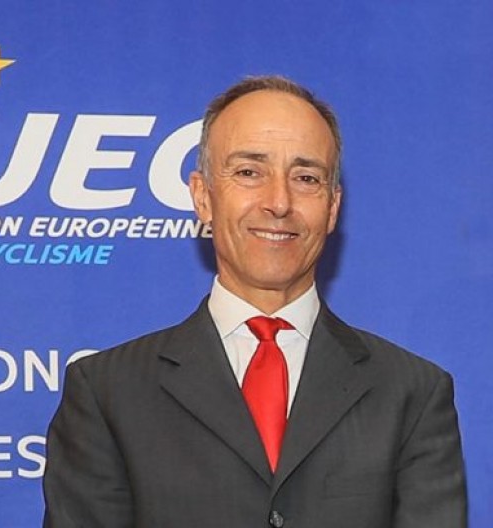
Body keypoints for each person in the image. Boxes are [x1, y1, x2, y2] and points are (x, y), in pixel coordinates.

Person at [42, 76, 467, 527]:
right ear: (202, 197)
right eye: (249, 172)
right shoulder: (107, 392)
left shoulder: (412, 393)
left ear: (332, 207)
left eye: (306, 178)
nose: (279, 202)